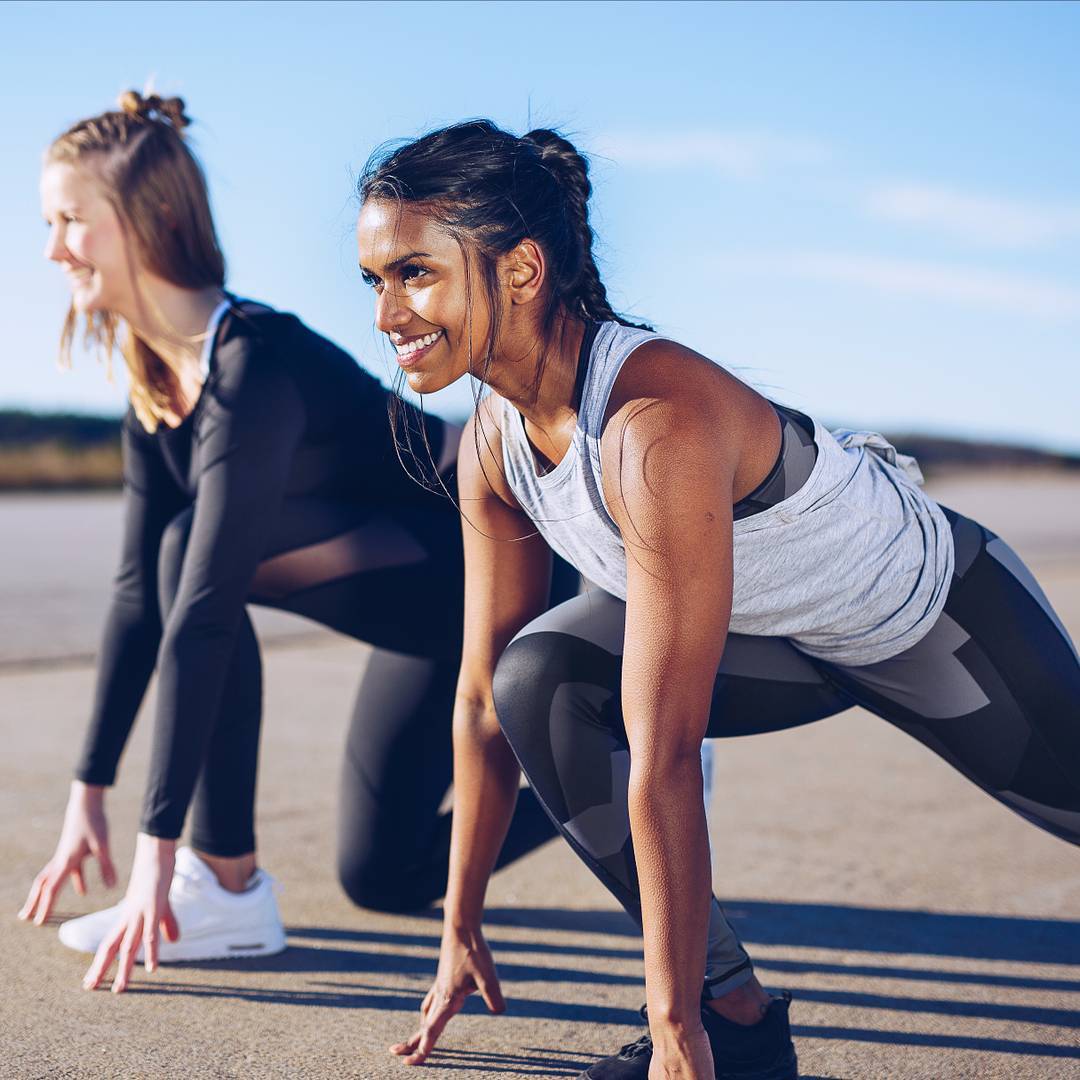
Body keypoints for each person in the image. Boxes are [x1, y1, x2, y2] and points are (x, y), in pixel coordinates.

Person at [354, 120, 1080, 1079]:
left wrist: (667, 1035)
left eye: (414, 273)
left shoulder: (653, 424)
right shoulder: (494, 441)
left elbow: (665, 757)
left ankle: (698, 1028)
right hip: (772, 646)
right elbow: (485, 697)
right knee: (540, 676)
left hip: (935, 622)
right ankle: (734, 1017)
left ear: (521, 269)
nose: (385, 313)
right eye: (374, 279)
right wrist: (459, 924)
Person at [19, 94, 571, 994]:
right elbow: (134, 599)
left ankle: (226, 882)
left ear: (149, 221)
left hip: (495, 573)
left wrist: (161, 847)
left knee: (193, 554)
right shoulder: (157, 378)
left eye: (71, 220)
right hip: (418, 608)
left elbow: (200, 604)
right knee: (382, 877)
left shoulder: (254, 364)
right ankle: (613, 765)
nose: (53, 248)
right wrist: (89, 791)